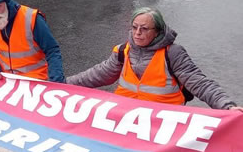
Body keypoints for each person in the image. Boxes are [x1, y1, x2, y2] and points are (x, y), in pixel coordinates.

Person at [66, 7, 243, 111]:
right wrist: (60, 83)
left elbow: (200, 84)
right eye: (134, 27)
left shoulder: (173, 54)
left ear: (157, 31)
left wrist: (227, 107)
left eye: (144, 29)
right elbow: (96, 75)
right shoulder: (123, 50)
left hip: (164, 122)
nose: (137, 33)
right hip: (126, 118)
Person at [0, 0, 65, 82]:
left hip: (36, 80)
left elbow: (52, 50)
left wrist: (57, 81)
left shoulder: (32, 19)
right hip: (6, 80)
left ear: (7, 3)